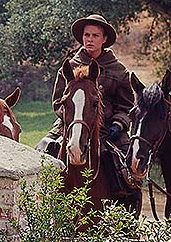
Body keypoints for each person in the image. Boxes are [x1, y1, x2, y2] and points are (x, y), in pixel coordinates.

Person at [37, 13, 134, 159]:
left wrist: (118, 124)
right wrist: (74, 120)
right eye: (86, 35)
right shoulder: (69, 67)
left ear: (104, 39)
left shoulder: (118, 71)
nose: (90, 39)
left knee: (130, 164)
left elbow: (126, 106)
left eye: (95, 35)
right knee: (41, 154)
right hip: (70, 125)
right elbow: (58, 102)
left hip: (108, 128)